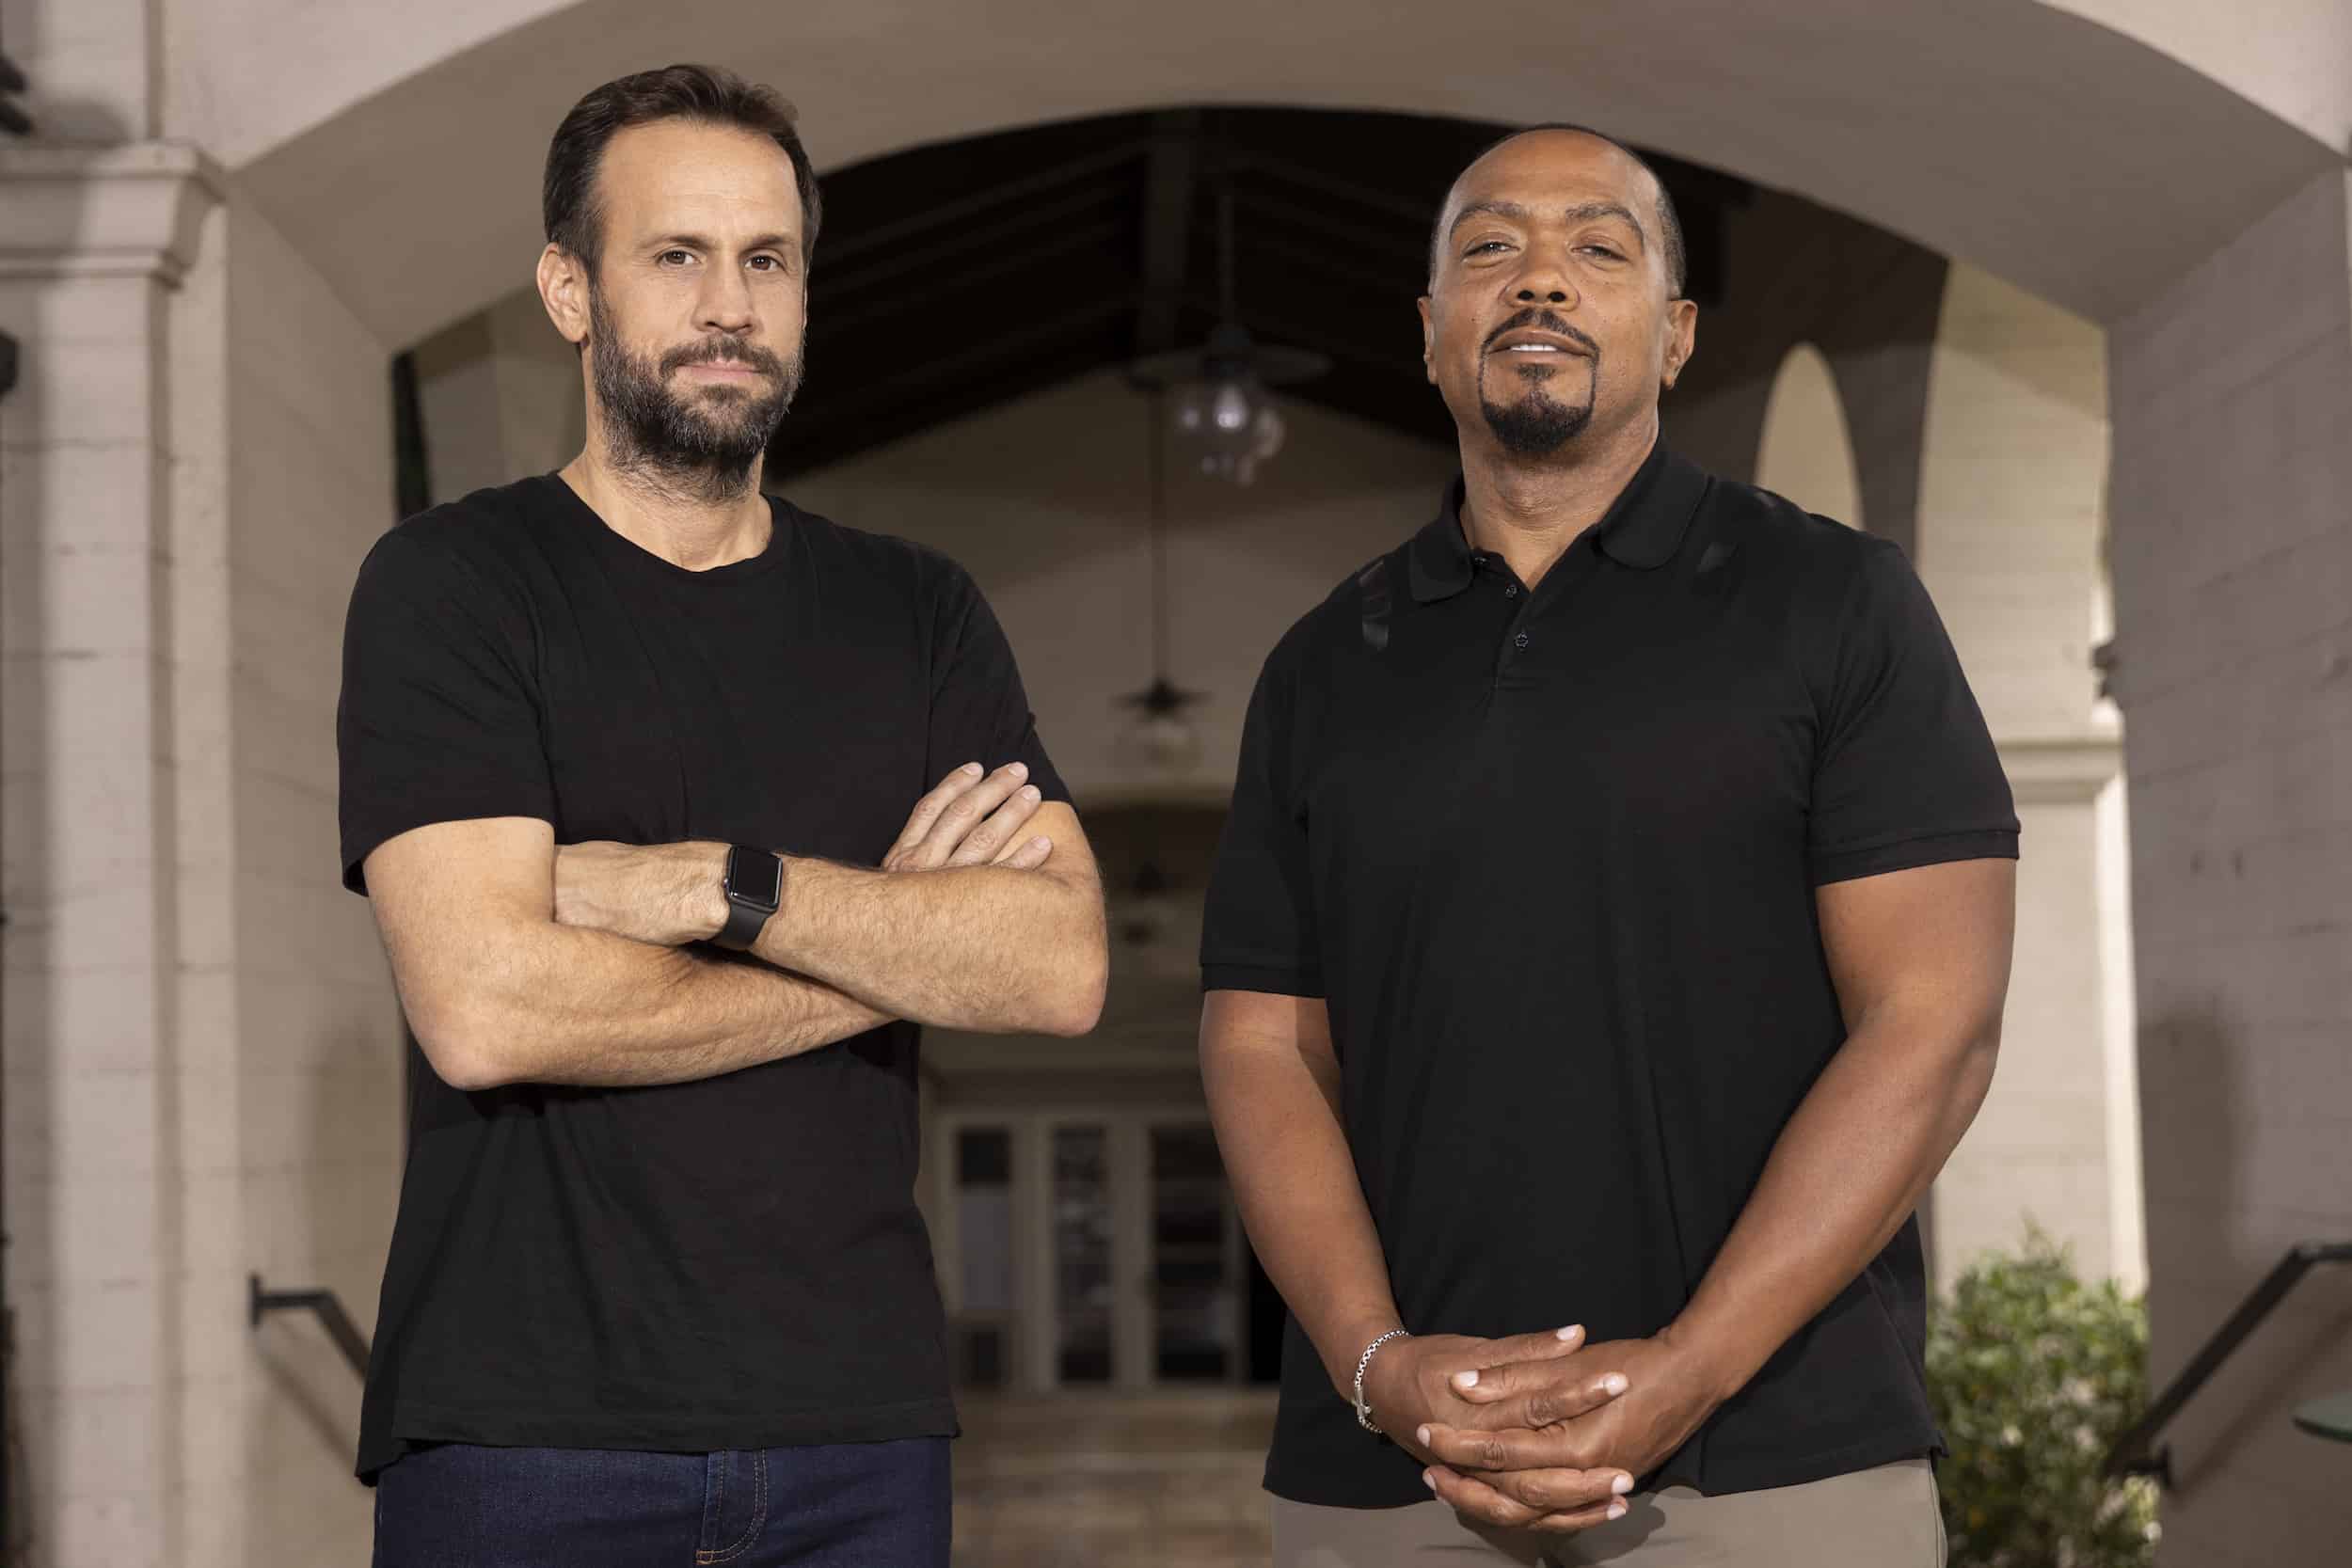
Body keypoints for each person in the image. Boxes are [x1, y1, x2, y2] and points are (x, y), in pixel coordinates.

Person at [1199, 123, 2015, 1567]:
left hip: (1769, 1467)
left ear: (1679, 332)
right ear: (1434, 335)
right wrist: (1380, 1367)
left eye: (1598, 247)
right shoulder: (1321, 668)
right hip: (1388, 1477)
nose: (1540, 282)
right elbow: (1262, 1044)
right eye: (1490, 249)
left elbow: (1932, 1024)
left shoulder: (1837, 601)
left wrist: (1689, 1369)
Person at [337, 63, 1106, 1568]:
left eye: (768, 261)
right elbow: (488, 1009)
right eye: (675, 256)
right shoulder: (453, 586)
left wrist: (722, 885)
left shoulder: (917, 612)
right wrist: (892, 938)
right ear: (571, 291)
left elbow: (1063, 970)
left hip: (857, 1430)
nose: (729, 304)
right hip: (523, 1432)